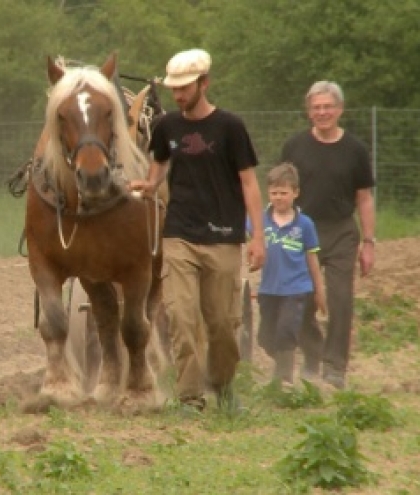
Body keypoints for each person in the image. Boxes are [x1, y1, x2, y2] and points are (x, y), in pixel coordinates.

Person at [129, 48, 265, 411]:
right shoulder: (167, 127)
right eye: (174, 89)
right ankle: (189, 397)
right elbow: (159, 166)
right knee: (180, 317)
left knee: (222, 325)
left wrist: (258, 238)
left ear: (204, 83)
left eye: (185, 88)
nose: (178, 95)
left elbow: (250, 184)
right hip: (179, 234)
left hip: (223, 236)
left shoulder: (231, 128)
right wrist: (149, 185)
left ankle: (222, 386)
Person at [280, 81, 376, 389]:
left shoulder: (355, 150)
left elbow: (363, 197)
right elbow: (281, 191)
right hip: (302, 231)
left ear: (339, 110)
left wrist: (369, 242)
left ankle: (335, 367)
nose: (322, 113)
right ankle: (313, 354)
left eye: (328, 107)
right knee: (301, 301)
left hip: (340, 232)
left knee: (340, 298)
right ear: (309, 112)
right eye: (316, 107)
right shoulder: (294, 147)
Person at [248, 163, 326, 385]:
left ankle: (284, 381)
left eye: (284, 193)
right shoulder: (260, 221)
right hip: (268, 288)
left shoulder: (305, 225)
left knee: (286, 331)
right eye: (274, 193)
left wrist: (319, 291)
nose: (278, 198)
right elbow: (248, 241)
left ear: (295, 193)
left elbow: (312, 259)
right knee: (265, 337)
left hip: (296, 288)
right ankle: (285, 363)